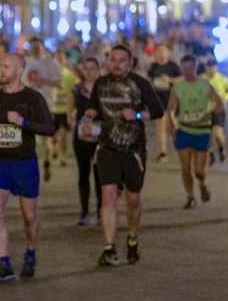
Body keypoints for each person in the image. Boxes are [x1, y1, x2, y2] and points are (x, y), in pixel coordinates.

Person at [78, 44, 165, 266]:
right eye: (113, 60)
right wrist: (86, 121)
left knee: (133, 199)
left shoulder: (140, 84)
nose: (116, 64)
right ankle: (109, 247)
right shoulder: (101, 83)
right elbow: (92, 107)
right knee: (108, 195)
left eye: (121, 60)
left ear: (130, 63)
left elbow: (158, 110)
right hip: (107, 148)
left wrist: (136, 115)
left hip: (133, 150)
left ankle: (132, 238)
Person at [0, 52, 56, 281]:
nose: (1, 70)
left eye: (5, 67)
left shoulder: (33, 98)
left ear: (19, 69)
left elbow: (49, 128)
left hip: (25, 162)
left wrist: (23, 122)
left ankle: (30, 253)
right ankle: (4, 263)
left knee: (29, 216)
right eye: (0, 66)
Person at [168, 54, 224, 209]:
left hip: (201, 131)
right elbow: (170, 108)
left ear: (196, 67)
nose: (187, 71)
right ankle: (190, 197)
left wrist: (210, 113)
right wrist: (171, 124)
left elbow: (219, 103)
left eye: (190, 68)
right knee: (185, 168)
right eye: (184, 68)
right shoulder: (178, 87)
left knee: (199, 170)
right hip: (184, 130)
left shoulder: (205, 85)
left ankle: (202, 183)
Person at [68, 56, 102, 226]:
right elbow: (69, 113)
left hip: (100, 137)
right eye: (86, 68)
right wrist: (78, 125)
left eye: (92, 68)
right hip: (81, 138)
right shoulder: (76, 90)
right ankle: (84, 211)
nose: (89, 72)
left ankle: (100, 211)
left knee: (99, 175)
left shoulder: (104, 90)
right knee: (83, 174)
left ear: (98, 70)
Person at [23, 37, 62, 181]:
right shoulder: (26, 64)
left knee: (46, 138)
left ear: (42, 47)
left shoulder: (51, 63)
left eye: (37, 46)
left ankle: (47, 160)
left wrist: (45, 81)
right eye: (32, 47)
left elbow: (60, 84)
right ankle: (29, 166)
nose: (35, 49)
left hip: (47, 105)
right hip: (29, 106)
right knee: (28, 136)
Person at [146, 44, 181, 161]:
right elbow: (149, 79)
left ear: (167, 53)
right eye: (159, 51)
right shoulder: (154, 67)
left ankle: (179, 142)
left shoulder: (173, 66)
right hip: (158, 98)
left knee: (173, 124)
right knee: (161, 124)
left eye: (163, 51)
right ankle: (163, 152)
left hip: (171, 98)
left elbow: (182, 79)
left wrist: (170, 80)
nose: (161, 53)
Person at [50, 49, 80, 168]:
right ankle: (54, 148)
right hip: (52, 109)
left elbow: (77, 88)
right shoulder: (49, 74)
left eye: (61, 59)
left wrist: (74, 107)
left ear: (65, 60)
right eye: (57, 59)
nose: (59, 61)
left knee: (63, 134)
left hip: (64, 110)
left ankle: (63, 156)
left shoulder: (70, 74)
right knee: (53, 136)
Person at [201, 58, 228, 165]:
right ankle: (211, 155)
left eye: (212, 67)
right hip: (205, 111)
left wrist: (225, 97)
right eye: (208, 68)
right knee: (207, 134)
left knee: (218, 133)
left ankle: (221, 147)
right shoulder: (201, 80)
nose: (210, 70)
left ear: (216, 68)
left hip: (218, 110)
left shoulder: (223, 79)